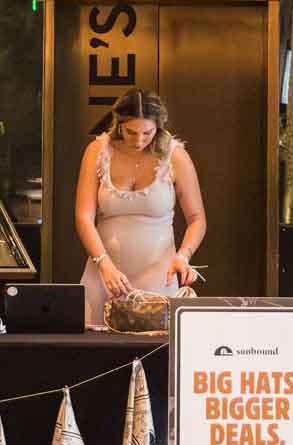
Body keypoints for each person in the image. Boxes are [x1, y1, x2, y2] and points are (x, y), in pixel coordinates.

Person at [74, 87, 206, 329]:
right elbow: (83, 217)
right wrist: (104, 264)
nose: (139, 140)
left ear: (159, 126)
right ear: (118, 123)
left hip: (158, 275)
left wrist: (183, 255)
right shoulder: (97, 151)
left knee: (153, 354)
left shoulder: (175, 156)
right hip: (105, 273)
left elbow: (197, 219)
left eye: (147, 132)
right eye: (131, 132)